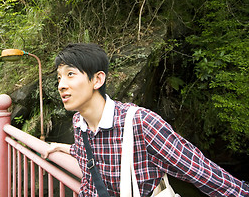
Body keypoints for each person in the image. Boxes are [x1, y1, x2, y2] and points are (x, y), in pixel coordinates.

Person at [43, 43, 249, 196]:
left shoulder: (141, 123)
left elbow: (200, 171)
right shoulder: (80, 124)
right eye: (59, 77)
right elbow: (90, 162)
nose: (61, 85)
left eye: (70, 74)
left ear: (97, 80)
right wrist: (63, 147)